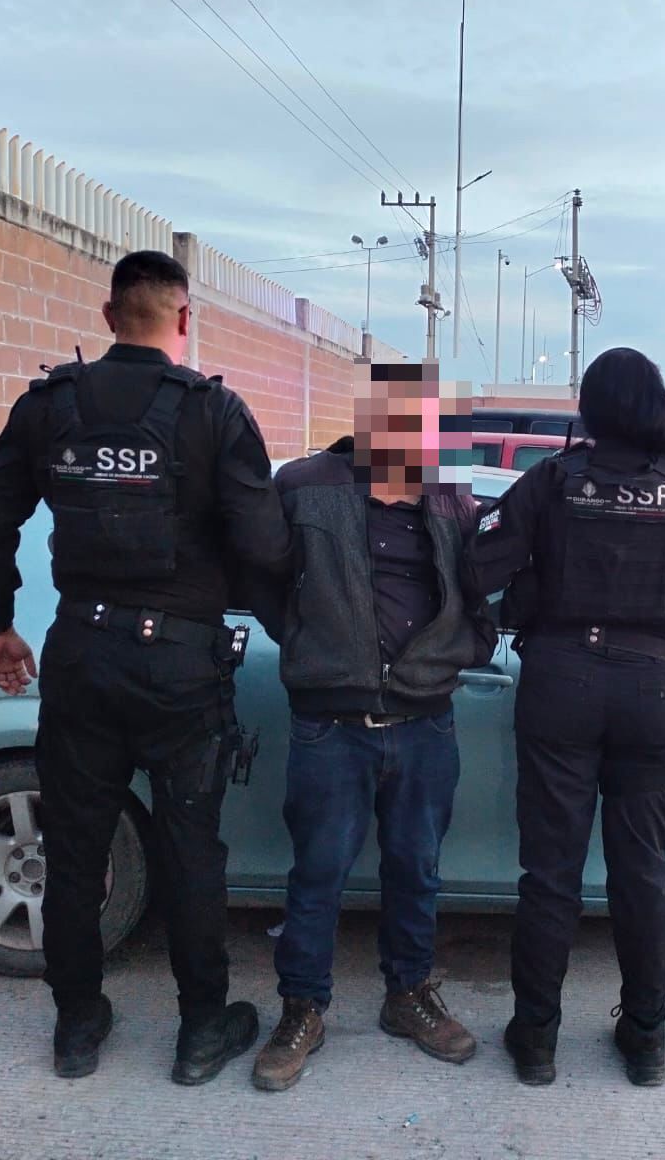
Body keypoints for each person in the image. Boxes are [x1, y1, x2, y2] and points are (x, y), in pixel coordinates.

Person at [0, 250, 290, 1084]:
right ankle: (201, 1030)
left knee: (74, 850)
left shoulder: (49, 406)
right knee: (190, 849)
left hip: (81, 652)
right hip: (180, 664)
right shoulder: (214, 412)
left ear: (110, 317)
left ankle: (77, 1027)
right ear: (185, 319)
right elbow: (265, 546)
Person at [469, 347, 665, 1088]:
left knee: (549, 873)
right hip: (655, 690)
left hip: (559, 682)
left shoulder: (551, 480)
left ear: (590, 411)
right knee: (644, 872)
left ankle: (536, 1039)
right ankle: (646, 1038)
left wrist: (525, 594)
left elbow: (479, 567)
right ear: (659, 406)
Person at [245, 361, 497, 1092]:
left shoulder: (450, 499)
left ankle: (407, 995)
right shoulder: (304, 487)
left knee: (417, 868)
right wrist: (305, 639)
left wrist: (467, 646)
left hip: (425, 721)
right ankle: (302, 1011)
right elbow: (258, 571)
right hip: (332, 723)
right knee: (317, 873)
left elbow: (476, 586)